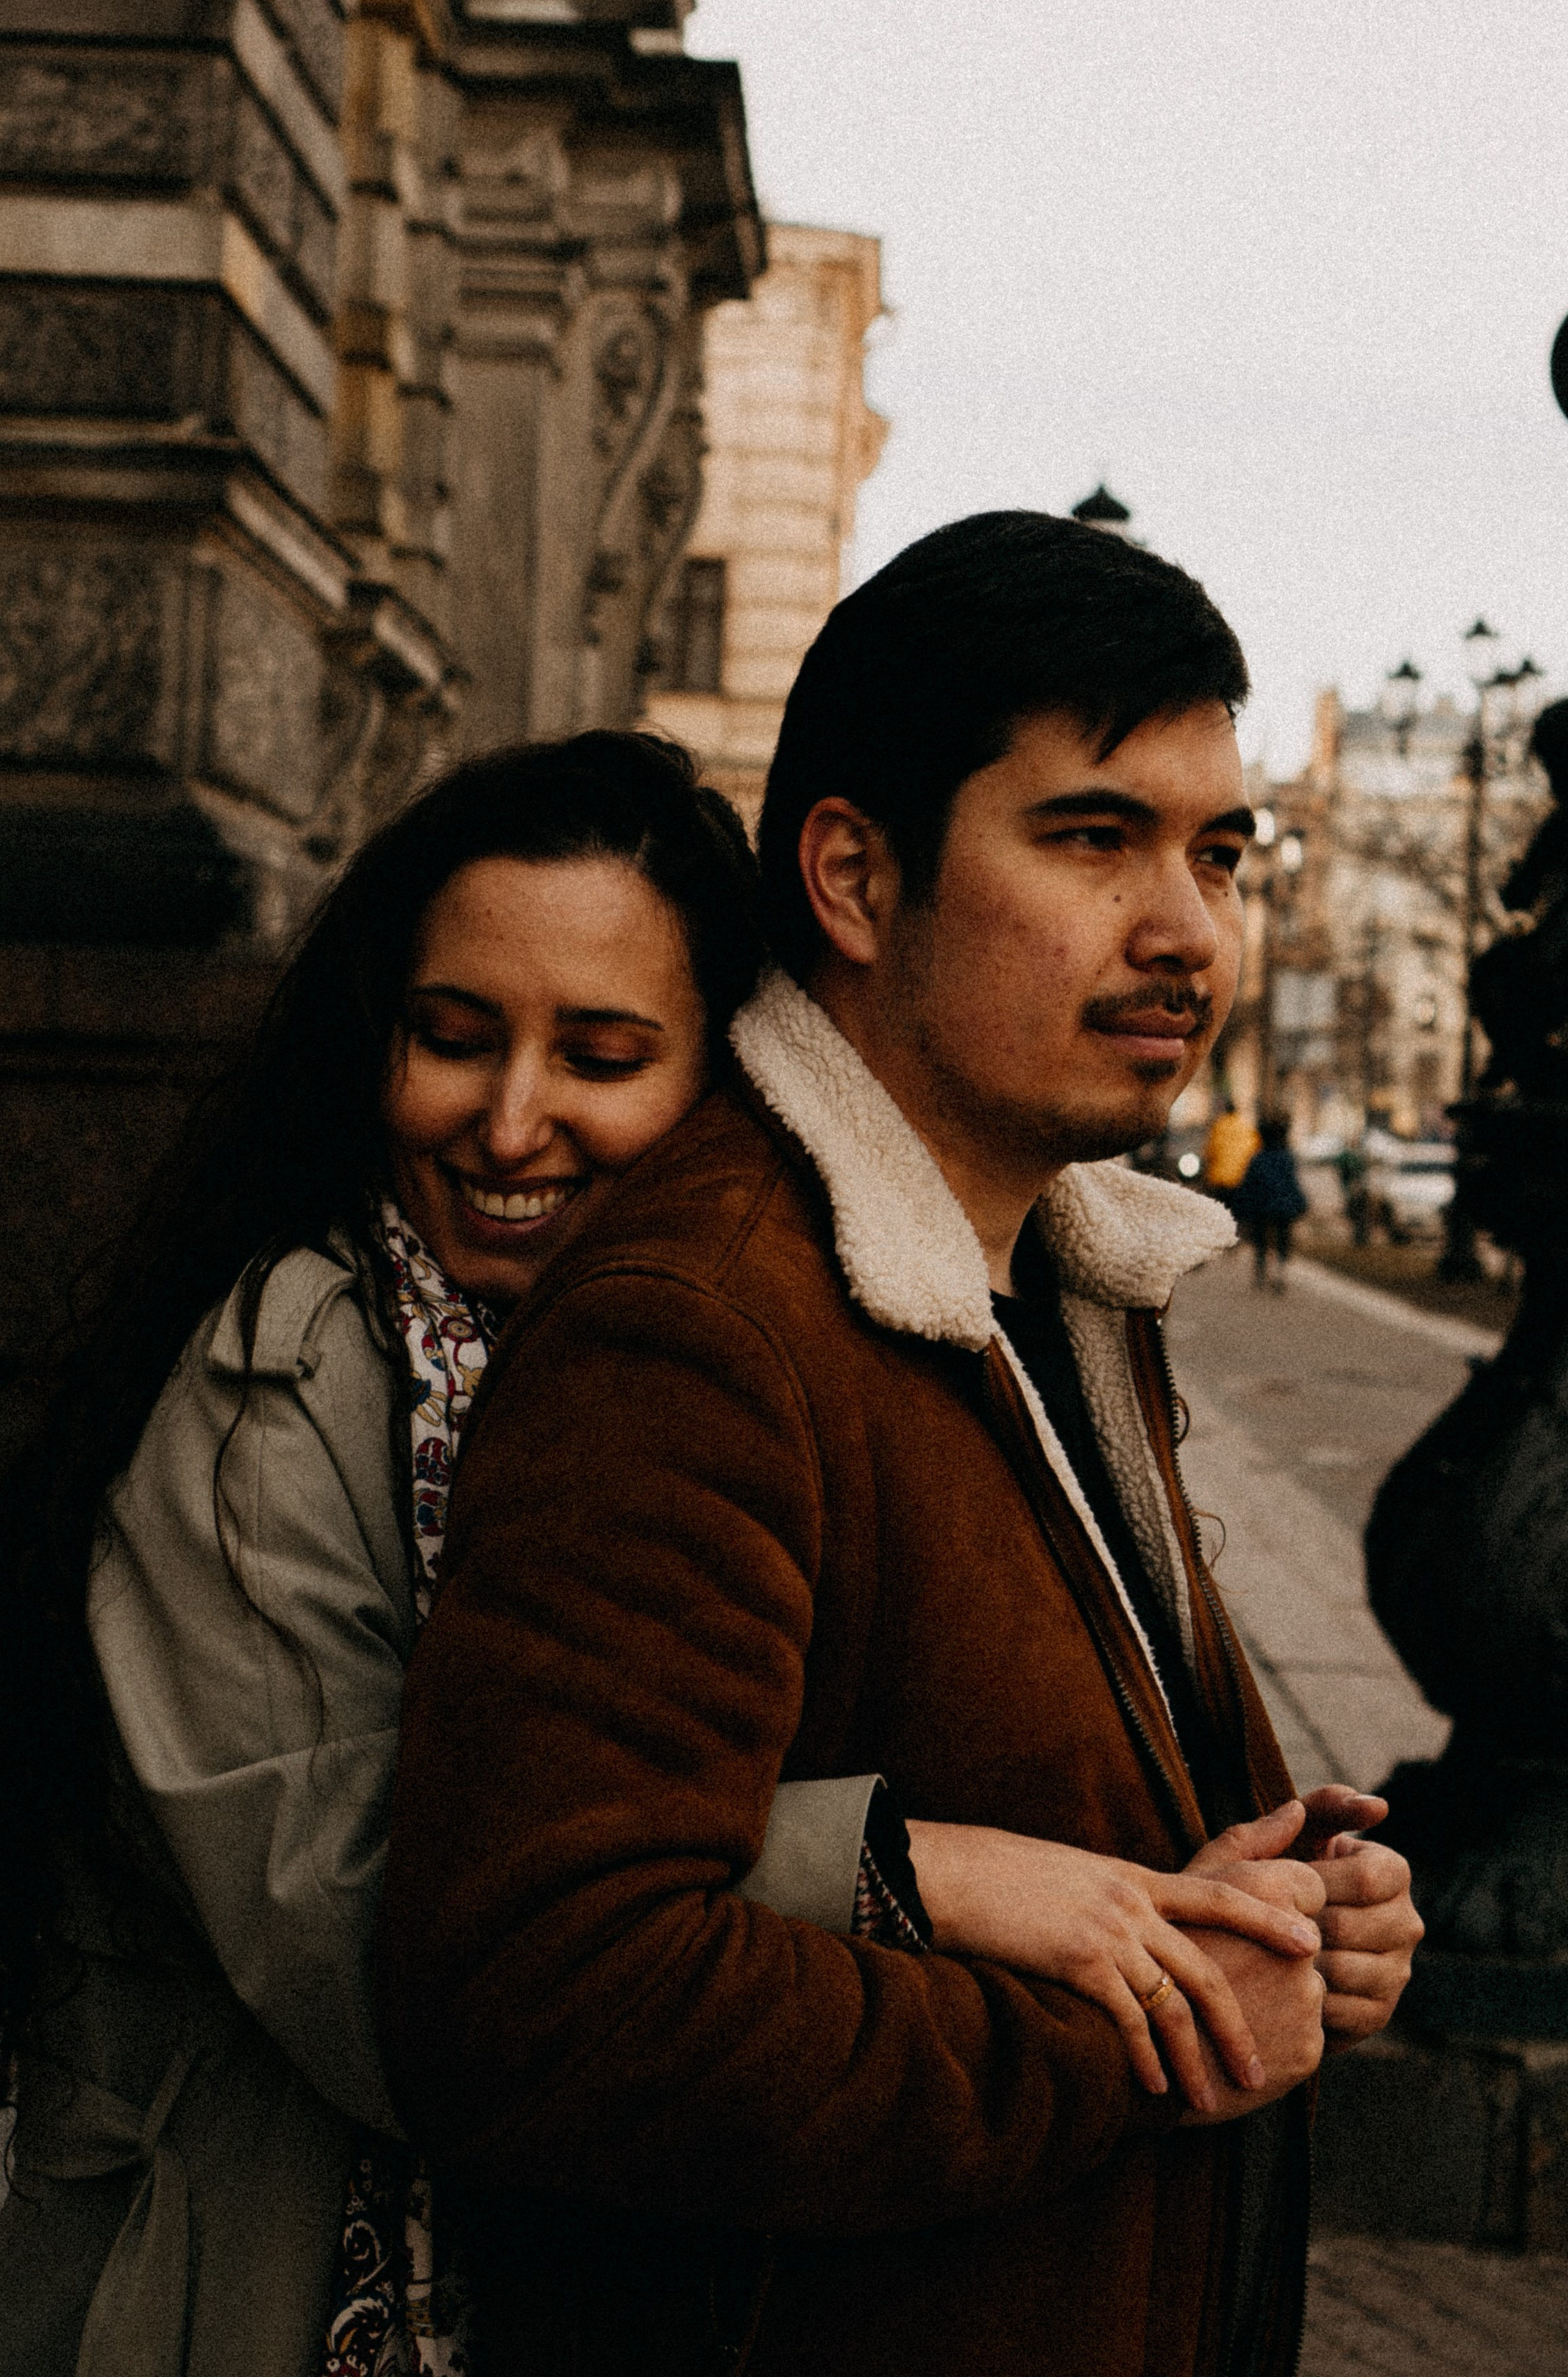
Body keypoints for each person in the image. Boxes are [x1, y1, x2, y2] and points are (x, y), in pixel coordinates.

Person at [0, 731, 1323, 2377]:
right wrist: (908, 1870)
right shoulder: (276, 1388)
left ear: (721, 1078)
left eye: (602, 1053)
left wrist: (1271, 1892)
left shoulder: (710, 1355)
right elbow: (393, 1970)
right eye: (452, 1037)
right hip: (269, 2292)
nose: (509, 1119)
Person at [377, 514, 1423, 2377]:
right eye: (1094, 840)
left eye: (1224, 852)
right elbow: (548, 2001)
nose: (1189, 929)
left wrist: (1286, 1900)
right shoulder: (707, 1327)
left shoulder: (1071, 1292)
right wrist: (1152, 2042)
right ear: (855, 879)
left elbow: (1071, 1830)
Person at [1231, 1116, 1310, 1294]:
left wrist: (1240, 1209)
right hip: (1283, 1207)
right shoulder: (1287, 1158)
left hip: (1261, 1207)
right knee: (1283, 1240)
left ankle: (1260, 1272)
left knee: (1260, 1241)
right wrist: (1301, 1203)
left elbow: (1247, 1186)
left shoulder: (1257, 1159)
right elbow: (1293, 1184)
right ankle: (1280, 1273)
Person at [1200, 1097, 1261, 1207]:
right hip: (1240, 1178)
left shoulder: (1219, 1126)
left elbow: (1209, 1151)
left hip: (1219, 1179)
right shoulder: (1246, 1128)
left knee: (1220, 1209)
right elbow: (1255, 1151)